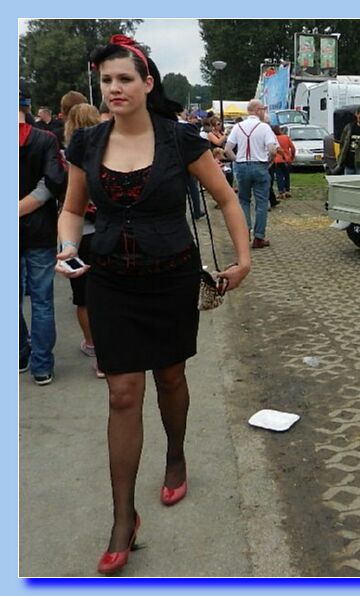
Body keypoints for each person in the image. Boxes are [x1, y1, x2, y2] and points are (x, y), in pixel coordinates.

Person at [55, 35, 251, 575]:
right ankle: (123, 518)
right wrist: (67, 245)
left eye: (124, 79)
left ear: (147, 84)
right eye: (107, 81)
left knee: (169, 377)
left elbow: (227, 198)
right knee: (123, 392)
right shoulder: (87, 145)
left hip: (170, 278)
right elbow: (72, 210)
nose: (114, 89)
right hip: (111, 281)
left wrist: (243, 258)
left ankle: (176, 455)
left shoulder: (181, 141)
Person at [20, 86, 67, 385]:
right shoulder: (46, 139)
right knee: (42, 301)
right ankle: (41, 365)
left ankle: (20, 355)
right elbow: (52, 182)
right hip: (39, 229)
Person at [63, 103, 106, 377]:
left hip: (78, 235)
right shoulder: (110, 149)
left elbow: (66, 202)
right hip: (106, 232)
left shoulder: (68, 155)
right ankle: (106, 357)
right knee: (107, 295)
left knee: (83, 298)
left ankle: (92, 344)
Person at [225, 99, 277, 248]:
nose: (264, 112)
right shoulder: (264, 127)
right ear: (257, 110)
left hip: (241, 166)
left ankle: (245, 232)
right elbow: (273, 149)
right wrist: (268, 162)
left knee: (244, 201)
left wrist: (237, 161)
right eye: (263, 109)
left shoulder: (237, 127)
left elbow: (227, 150)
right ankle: (259, 237)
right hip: (260, 165)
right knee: (261, 202)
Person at [273, 124, 296, 200]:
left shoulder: (273, 138)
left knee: (279, 176)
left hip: (277, 160)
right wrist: (292, 157)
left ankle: (281, 191)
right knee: (287, 175)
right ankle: (287, 190)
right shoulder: (286, 137)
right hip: (287, 159)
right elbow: (293, 148)